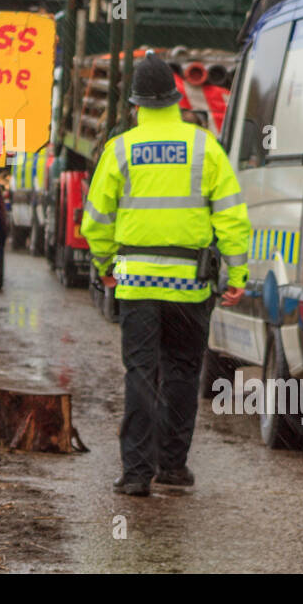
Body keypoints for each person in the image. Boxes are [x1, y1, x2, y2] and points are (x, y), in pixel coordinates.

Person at [80, 52, 251, 496]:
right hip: (190, 285)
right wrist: (237, 272)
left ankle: (136, 474)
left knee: (139, 372)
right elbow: (231, 215)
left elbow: (96, 220)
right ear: (176, 100)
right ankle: (173, 465)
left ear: (137, 105)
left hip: (136, 280)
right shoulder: (204, 146)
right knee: (182, 372)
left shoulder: (120, 148)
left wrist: (104, 268)